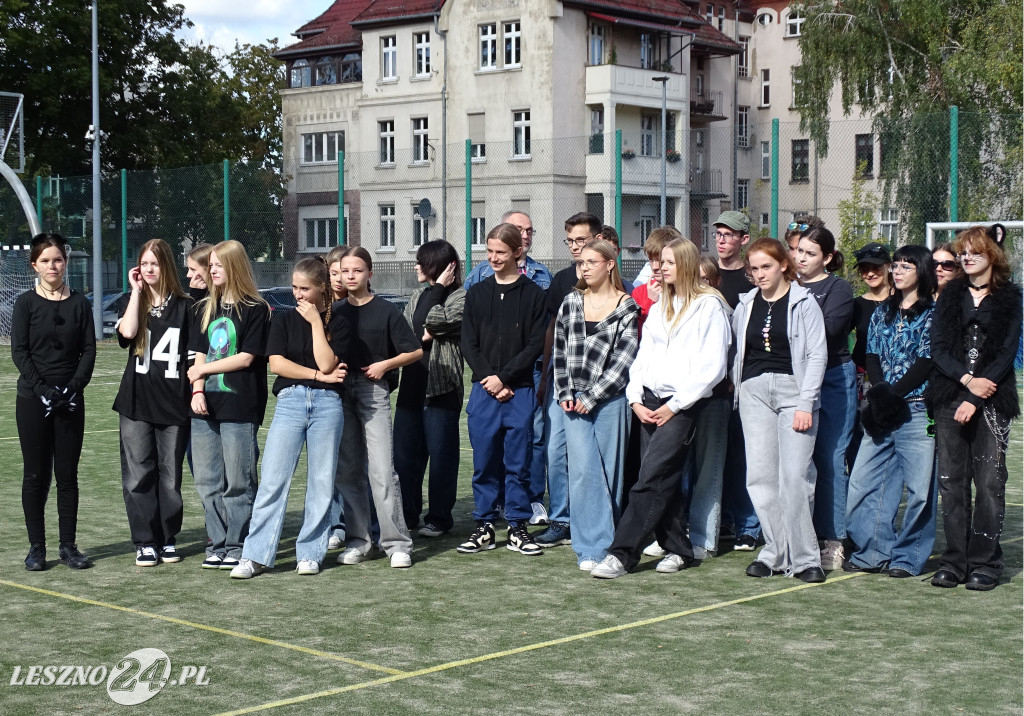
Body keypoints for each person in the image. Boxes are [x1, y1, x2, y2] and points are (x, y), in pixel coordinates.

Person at [590, 238, 731, 578]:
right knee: (660, 479)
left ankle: (622, 554)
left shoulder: (709, 306)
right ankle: (680, 550)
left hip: (681, 405)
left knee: (650, 479)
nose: (660, 267)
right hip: (648, 402)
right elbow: (643, 358)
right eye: (659, 262)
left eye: (668, 262)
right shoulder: (661, 306)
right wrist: (635, 398)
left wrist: (676, 405)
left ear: (684, 264)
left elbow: (713, 368)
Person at [230, 257, 351, 579]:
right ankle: (255, 555)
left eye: (305, 289)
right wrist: (316, 375)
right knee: (272, 481)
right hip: (290, 402)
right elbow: (278, 366)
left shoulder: (338, 323)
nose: (298, 295)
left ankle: (310, 553)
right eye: (295, 287)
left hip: (328, 406)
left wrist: (315, 324)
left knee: (322, 483)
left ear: (322, 289)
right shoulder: (282, 320)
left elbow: (329, 364)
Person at [927, 227, 1022, 591]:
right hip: (951, 395)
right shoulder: (949, 295)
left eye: (974, 253)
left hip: (992, 400)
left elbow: (1005, 354)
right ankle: (955, 560)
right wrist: (966, 385)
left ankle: (986, 561)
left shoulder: (1010, 297)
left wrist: (976, 397)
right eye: (963, 253)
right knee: (951, 482)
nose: (966, 258)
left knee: (989, 481)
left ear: (992, 257)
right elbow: (938, 349)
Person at [732, 238, 827, 583]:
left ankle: (806, 559)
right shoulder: (745, 304)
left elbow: (817, 355)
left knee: (795, 477)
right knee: (760, 477)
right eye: (753, 269)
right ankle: (774, 553)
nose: (759, 275)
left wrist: (806, 403)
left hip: (793, 393)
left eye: (766, 267)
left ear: (784, 265)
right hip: (754, 392)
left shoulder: (804, 303)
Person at [844, 246, 937, 577]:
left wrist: (892, 395)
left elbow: (927, 360)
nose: (897, 271)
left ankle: (908, 557)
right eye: (895, 265)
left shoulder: (933, 313)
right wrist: (881, 394)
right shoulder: (883, 310)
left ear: (921, 272)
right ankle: (874, 550)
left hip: (916, 409)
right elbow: (871, 354)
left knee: (920, 491)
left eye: (906, 266)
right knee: (862, 483)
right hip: (881, 409)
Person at [459, 223, 547, 556]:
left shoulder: (534, 295)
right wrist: (489, 378)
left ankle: (518, 527)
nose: (494, 258)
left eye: (501, 252)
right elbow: (469, 341)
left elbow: (536, 344)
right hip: (484, 390)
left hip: (519, 390)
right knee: (484, 460)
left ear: (517, 253)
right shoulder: (477, 293)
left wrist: (506, 378)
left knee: (518, 461)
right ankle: (483, 526)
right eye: (490, 251)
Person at [332, 247, 422, 568]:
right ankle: (359, 541)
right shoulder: (336, 311)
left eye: (357, 270)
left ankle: (397, 543)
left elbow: (414, 352)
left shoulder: (386, 311)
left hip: (374, 392)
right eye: (345, 271)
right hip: (341, 393)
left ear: (370, 273)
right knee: (348, 471)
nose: (350, 276)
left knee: (383, 471)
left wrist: (385, 365)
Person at [12, 233, 96, 571]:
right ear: (34, 265)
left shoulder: (80, 303)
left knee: (67, 475)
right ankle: (36, 548)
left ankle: (68, 546)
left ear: (66, 263)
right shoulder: (25, 304)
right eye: (45, 260)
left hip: (71, 401)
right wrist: (42, 389)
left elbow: (88, 350)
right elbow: (20, 351)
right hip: (34, 400)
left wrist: (73, 387)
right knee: (35, 475)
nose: (52, 266)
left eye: (58, 260)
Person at [552, 239, 638, 570]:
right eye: (581, 263)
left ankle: (606, 546)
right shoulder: (570, 302)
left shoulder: (626, 306)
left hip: (610, 400)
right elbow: (560, 352)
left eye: (591, 262)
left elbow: (624, 360)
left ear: (610, 264)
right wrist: (565, 391)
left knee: (609, 474)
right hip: (572, 400)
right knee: (583, 472)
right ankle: (590, 548)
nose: (584, 267)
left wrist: (593, 396)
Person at [187, 240, 271, 572]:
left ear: (233, 266)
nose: (212, 271)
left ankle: (238, 544)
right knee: (207, 481)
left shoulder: (256, 308)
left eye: (217, 266)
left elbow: (246, 357)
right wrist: (197, 391)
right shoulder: (204, 308)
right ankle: (218, 543)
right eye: (210, 266)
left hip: (240, 406)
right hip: (204, 405)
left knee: (239, 480)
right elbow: (199, 354)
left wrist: (204, 371)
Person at [114, 239, 192, 567]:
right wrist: (135, 292)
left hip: (174, 401)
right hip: (136, 400)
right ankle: (145, 541)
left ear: (167, 267)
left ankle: (167, 537)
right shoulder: (134, 301)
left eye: (155, 264)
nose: (148, 269)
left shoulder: (186, 306)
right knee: (137, 474)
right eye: (144, 264)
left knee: (170, 476)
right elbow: (128, 334)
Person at [533, 212, 604, 548]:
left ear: (598, 238)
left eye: (582, 240)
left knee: (591, 453)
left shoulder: (612, 282)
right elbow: (551, 330)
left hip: (599, 385)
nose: (576, 248)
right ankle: (561, 519)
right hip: (560, 382)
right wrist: (546, 379)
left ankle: (594, 517)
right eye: (571, 241)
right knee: (555, 449)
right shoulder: (561, 279)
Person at [395, 240, 466, 538]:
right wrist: (426, 326)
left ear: (440, 268)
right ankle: (408, 514)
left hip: (442, 389)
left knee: (442, 457)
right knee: (404, 457)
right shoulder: (417, 295)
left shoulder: (461, 297)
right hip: (411, 387)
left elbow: (432, 321)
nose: (416, 267)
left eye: (422, 262)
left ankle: (439, 517)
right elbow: (411, 332)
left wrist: (437, 291)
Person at [796, 227, 856, 571]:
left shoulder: (838, 288)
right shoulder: (786, 286)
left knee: (831, 459)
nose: (801, 258)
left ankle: (833, 540)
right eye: (799, 251)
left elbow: (828, 333)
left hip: (833, 377)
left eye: (810, 253)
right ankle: (801, 535)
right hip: (794, 379)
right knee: (799, 462)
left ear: (828, 258)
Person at [712, 211, 761, 552]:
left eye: (730, 235)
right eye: (718, 234)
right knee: (716, 456)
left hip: (741, 384)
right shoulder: (706, 276)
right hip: (709, 385)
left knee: (745, 456)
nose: (722, 240)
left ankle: (748, 525)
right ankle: (721, 520)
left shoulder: (750, 281)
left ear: (744, 240)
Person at [681, 254, 732, 560]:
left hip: (712, 399)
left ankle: (703, 537)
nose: (699, 284)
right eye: (694, 278)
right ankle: (677, 531)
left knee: (708, 469)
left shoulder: (718, 308)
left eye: (705, 279)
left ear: (715, 282)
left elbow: (717, 361)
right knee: (679, 469)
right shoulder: (680, 307)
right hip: (681, 399)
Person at [847, 242, 892, 469]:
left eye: (876, 267)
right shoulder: (857, 305)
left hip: (896, 378)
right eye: (864, 269)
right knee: (860, 432)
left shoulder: (902, 301)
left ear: (888, 267)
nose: (870, 273)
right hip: (862, 379)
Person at [463, 210, 552, 291]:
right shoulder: (481, 273)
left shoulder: (542, 273)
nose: (525, 236)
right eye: (519, 230)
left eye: (529, 231)